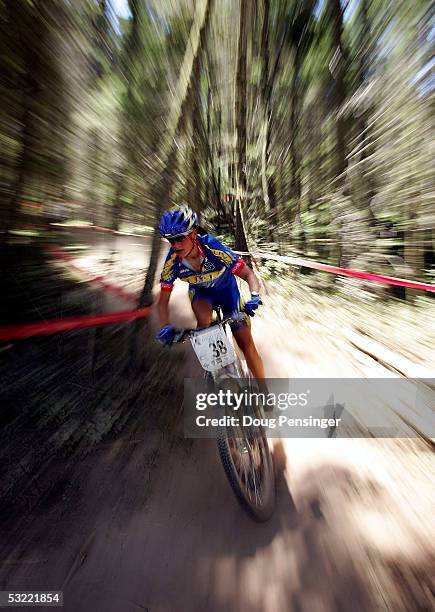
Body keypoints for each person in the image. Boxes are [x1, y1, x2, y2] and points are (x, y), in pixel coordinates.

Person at [156, 204, 265, 380]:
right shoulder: (172, 263)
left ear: (192, 234)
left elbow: (247, 274)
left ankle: (264, 390)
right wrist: (165, 327)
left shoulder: (212, 247)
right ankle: (215, 372)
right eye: (170, 240)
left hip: (227, 292)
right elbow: (162, 302)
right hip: (202, 295)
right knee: (203, 322)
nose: (175, 245)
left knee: (246, 344)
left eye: (179, 238)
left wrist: (254, 296)